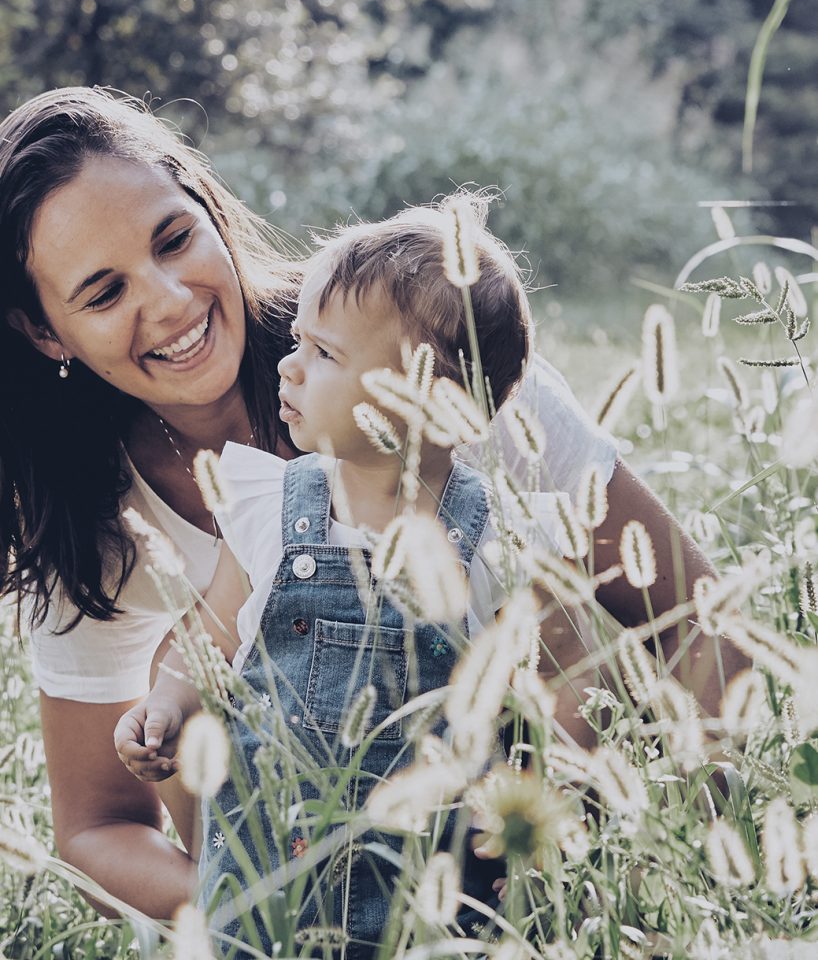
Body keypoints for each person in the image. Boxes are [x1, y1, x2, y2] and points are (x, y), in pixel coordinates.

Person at [0, 86, 740, 924]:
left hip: (489, 877)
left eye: (174, 238)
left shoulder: (434, 367)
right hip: (279, 883)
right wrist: (269, 914)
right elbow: (98, 827)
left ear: (208, 209)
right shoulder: (84, 511)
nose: (169, 300)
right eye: (103, 294)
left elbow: (702, 621)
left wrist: (632, 854)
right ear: (43, 333)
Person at [113, 194, 567, 955]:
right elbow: (214, 635)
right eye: (298, 341)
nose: (287, 366)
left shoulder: (501, 538)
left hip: (436, 892)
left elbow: (570, 676)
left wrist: (544, 789)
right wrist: (164, 705)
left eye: (324, 354)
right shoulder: (266, 505)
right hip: (268, 883)